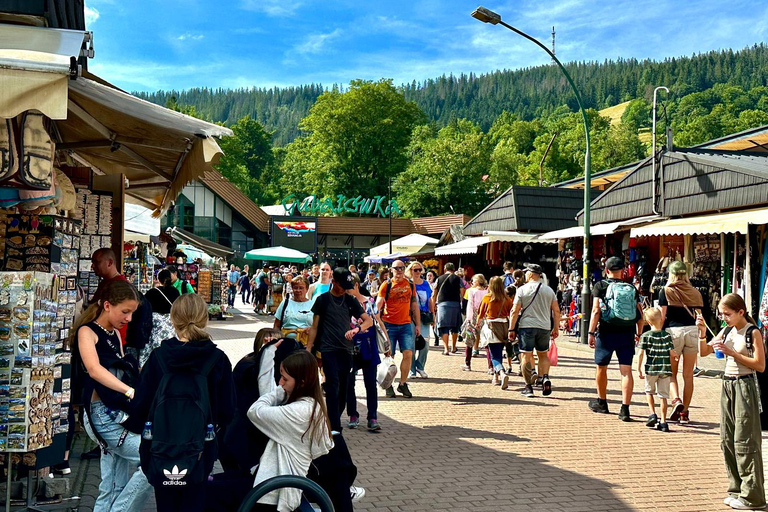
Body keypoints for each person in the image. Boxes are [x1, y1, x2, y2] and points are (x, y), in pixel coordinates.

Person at [133, 294, 235, 512]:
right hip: (200, 447)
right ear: (205, 319)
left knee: (165, 503)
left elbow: (141, 404)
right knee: (195, 501)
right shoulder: (217, 359)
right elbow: (227, 410)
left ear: (172, 319)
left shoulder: (158, 357)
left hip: (161, 446)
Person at [71, 280, 152, 512]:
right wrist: (129, 391)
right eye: (125, 311)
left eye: (132, 313)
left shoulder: (115, 333)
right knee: (152, 459)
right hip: (101, 415)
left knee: (112, 484)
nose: (128, 319)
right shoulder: (86, 332)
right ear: (107, 305)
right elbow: (94, 369)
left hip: (117, 412)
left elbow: (123, 370)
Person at [698, 294, 766, 511]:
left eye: (727, 314)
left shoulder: (752, 332)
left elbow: (760, 365)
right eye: (721, 314)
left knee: (745, 440)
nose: (723, 317)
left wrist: (732, 353)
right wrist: (701, 333)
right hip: (727, 385)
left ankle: (753, 498)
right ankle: (736, 489)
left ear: (740, 312)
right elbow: (705, 351)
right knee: (727, 439)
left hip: (744, 386)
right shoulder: (726, 330)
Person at [247, 351, 334, 512]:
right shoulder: (313, 405)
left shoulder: (299, 412)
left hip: (273, 494)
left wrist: (279, 392)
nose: (280, 383)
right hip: (276, 488)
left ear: (301, 383)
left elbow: (255, 411)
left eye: (285, 379)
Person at [307, 268, 372, 432]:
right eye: (341, 285)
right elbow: (314, 327)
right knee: (332, 385)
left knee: (345, 387)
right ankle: (334, 425)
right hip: (328, 349)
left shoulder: (350, 300)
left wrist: (357, 329)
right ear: (333, 281)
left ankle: (335, 418)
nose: (344, 288)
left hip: (346, 350)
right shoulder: (323, 300)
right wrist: (309, 348)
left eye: (347, 286)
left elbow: (368, 321)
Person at [587, 256, 644, 420]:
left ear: (606, 270)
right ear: (622, 271)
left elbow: (596, 311)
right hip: (627, 333)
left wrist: (591, 333)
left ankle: (602, 402)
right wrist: (638, 334)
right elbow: (640, 315)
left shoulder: (600, 285)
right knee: (626, 371)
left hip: (606, 332)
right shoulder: (631, 288)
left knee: (601, 367)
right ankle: (625, 409)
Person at [659, 260, 704, 424]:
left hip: (673, 332)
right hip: (692, 331)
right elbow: (699, 316)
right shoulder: (695, 292)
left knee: (671, 373)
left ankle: (676, 400)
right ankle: (684, 412)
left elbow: (663, 316)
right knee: (688, 375)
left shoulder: (665, 291)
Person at [508, 264, 560, 398]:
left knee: (526, 355)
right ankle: (545, 377)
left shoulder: (522, 290)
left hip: (527, 326)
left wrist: (511, 328)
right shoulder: (549, 290)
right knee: (543, 355)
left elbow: (515, 311)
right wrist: (556, 328)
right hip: (544, 326)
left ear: (530, 274)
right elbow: (556, 310)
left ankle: (528, 386)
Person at [346, 274, 386, 431]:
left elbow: (379, 321)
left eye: (349, 287)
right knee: (349, 383)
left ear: (356, 285)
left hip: (369, 346)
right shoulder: (343, 303)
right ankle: (353, 415)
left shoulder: (369, 302)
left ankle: (373, 417)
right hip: (350, 346)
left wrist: (387, 343)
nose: (346, 291)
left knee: (370, 383)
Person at [377, 259, 421, 398]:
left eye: (402, 268)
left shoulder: (410, 284)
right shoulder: (386, 285)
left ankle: (402, 384)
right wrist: (376, 320)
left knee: (408, 353)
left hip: (405, 324)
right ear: (391, 270)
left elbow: (414, 305)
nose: (399, 271)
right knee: (389, 356)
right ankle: (388, 385)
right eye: (396, 268)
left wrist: (418, 324)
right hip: (389, 324)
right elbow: (378, 304)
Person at [637, 307, 678, 433]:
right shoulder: (666, 335)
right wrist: (675, 356)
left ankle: (652, 413)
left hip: (651, 368)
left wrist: (638, 368)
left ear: (648, 322)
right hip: (665, 369)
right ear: (661, 319)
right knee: (663, 396)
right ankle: (663, 421)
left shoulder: (645, 336)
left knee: (649, 391)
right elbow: (672, 352)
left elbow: (640, 353)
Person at [475, 277, 514, 388]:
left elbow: (481, 314)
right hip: (503, 328)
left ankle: (501, 372)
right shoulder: (506, 299)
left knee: (494, 355)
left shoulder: (487, 298)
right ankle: (496, 377)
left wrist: (477, 324)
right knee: (499, 352)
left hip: (491, 327)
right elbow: (510, 312)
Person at [140, 269, 180, 367]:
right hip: (171, 325)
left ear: (159, 279)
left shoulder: (152, 292)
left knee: (153, 350)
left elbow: (144, 308)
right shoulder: (175, 292)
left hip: (155, 325)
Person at [90, 248, 130, 343]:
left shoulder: (121, 285)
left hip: (111, 339)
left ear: (109, 263)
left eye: (96, 262)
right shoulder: (105, 282)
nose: (92, 266)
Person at [407, 261, 433, 379]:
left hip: (424, 316)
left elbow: (430, 300)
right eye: (415, 270)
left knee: (425, 344)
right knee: (411, 344)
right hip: (410, 318)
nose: (417, 272)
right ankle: (412, 369)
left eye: (419, 270)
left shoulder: (426, 284)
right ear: (410, 271)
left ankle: (420, 366)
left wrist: (433, 315)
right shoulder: (408, 283)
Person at [274, 275, 315, 346]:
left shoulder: (313, 304)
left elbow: (318, 326)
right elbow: (276, 325)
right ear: (292, 289)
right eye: (295, 288)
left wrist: (310, 329)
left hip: (307, 344)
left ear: (307, 289)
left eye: (301, 288)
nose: (298, 290)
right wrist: (277, 340)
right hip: (286, 344)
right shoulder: (285, 303)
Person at [432, 262, 463, 355]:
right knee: (455, 326)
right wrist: (460, 300)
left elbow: (434, 293)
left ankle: (446, 349)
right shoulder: (458, 279)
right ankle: (453, 347)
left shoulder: (439, 279)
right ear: (454, 270)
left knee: (444, 326)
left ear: (445, 269)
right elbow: (462, 291)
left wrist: (433, 305)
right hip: (455, 304)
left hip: (443, 304)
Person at [465, 274, 488, 363]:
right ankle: (490, 366)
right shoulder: (487, 292)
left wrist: (468, 319)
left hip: (474, 314)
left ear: (477, 282)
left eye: (473, 281)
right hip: (484, 315)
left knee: (469, 336)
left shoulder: (471, 291)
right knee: (484, 336)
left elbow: (470, 305)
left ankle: (467, 362)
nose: (472, 282)